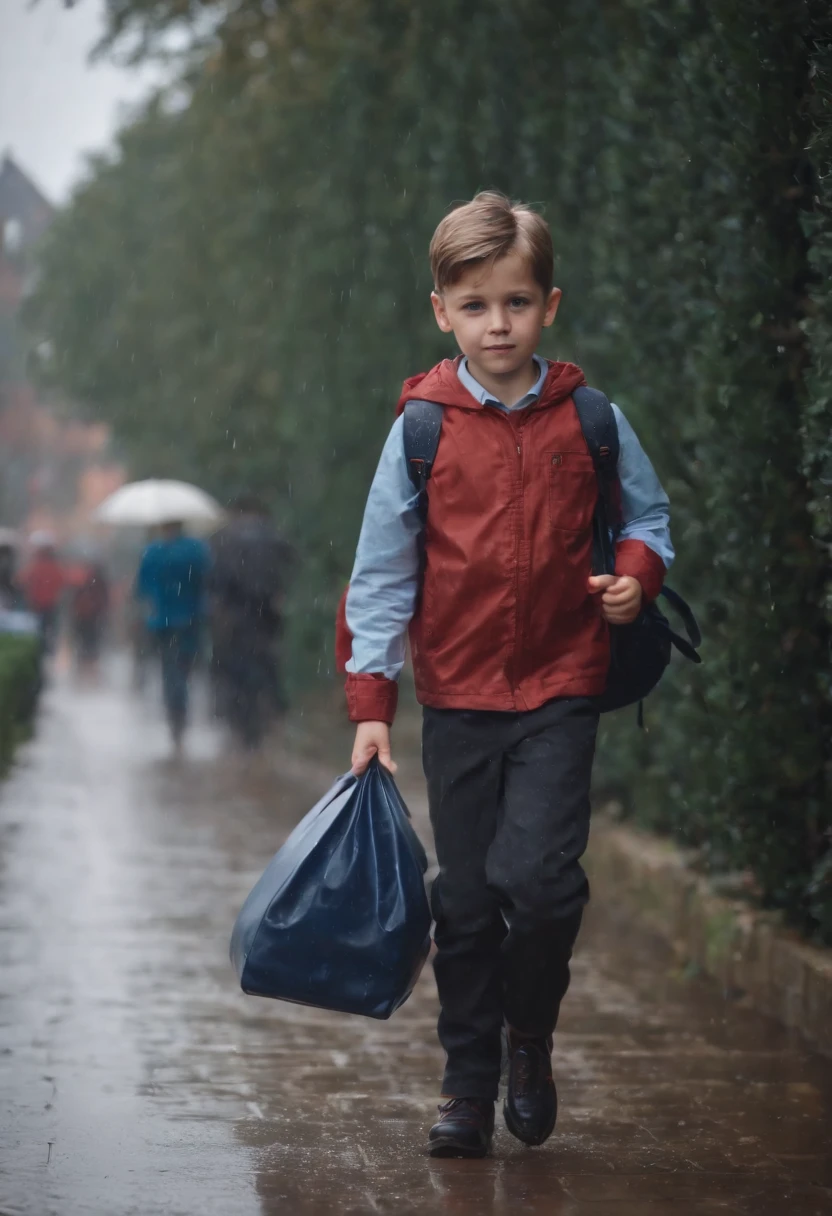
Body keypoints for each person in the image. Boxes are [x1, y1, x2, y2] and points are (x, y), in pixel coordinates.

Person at [338, 192, 673, 1157]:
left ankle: (530, 1038)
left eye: (516, 303)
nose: (498, 324)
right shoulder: (421, 429)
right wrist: (372, 706)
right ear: (442, 310)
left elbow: (648, 521)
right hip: (458, 695)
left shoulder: (592, 420)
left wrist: (635, 581)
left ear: (550, 305)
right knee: (469, 898)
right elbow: (381, 572)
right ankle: (466, 1084)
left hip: (565, 682)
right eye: (476, 305)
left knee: (546, 886)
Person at [209, 494, 293, 749]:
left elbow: (215, 579)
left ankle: (241, 720)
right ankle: (268, 711)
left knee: (234, 668)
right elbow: (290, 563)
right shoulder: (271, 536)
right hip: (266, 613)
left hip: (234, 616)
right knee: (264, 662)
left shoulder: (223, 539)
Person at [136, 521, 210, 750]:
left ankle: (175, 717)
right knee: (185, 667)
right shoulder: (197, 550)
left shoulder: (153, 552)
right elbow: (207, 582)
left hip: (163, 623)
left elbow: (141, 589)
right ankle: (182, 711)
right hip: (190, 620)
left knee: (168, 669)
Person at [19, 532, 66, 654]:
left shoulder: (35, 566)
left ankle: (40, 650)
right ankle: (47, 650)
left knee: (38, 632)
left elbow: (23, 581)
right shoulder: (54, 566)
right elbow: (61, 582)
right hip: (49, 605)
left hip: (38, 606)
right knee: (48, 631)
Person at [69, 562, 110, 669]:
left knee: (84, 642)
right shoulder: (100, 584)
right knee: (92, 643)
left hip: (83, 617)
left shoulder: (84, 583)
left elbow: (75, 600)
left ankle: (84, 666)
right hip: (94, 617)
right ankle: (90, 667)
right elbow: (104, 601)